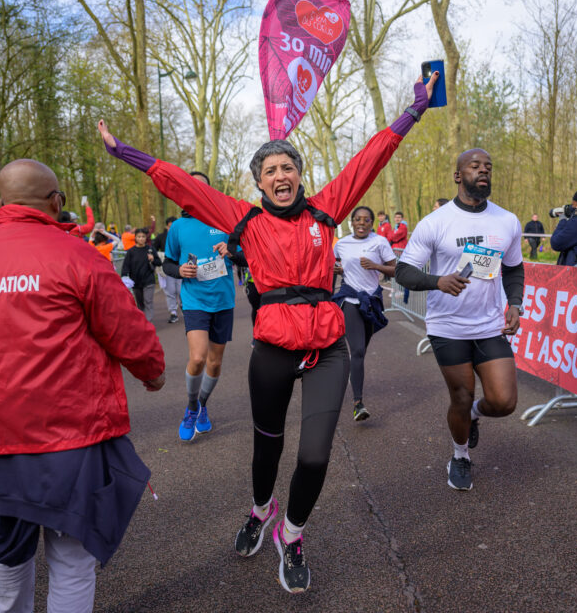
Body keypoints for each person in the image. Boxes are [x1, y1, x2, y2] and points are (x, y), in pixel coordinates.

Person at [99, 70, 439, 594]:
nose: (281, 175)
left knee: (316, 454)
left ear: (300, 175)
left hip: (327, 345)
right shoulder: (242, 219)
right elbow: (182, 185)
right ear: (258, 182)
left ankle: (292, 533)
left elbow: (372, 156)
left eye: (289, 167)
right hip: (274, 347)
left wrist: (414, 109)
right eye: (271, 170)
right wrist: (127, 153)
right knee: (268, 449)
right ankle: (262, 508)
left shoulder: (327, 211)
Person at [0, 159, 165, 613]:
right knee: (71, 559)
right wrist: (152, 372)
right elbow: (125, 328)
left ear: (1, 203)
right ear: (55, 202)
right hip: (68, 433)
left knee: (6, 553)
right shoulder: (76, 255)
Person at [395, 148, 524, 492]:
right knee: (461, 397)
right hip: (447, 326)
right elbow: (404, 272)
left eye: (488, 167)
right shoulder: (436, 222)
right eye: (475, 166)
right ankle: (460, 454)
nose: (483, 171)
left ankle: (476, 417)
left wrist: (515, 303)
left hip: (488, 323)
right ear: (458, 175)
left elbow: (513, 267)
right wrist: (437, 280)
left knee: (504, 402)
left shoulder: (507, 220)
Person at [159, 173, 239, 443]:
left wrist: (232, 251)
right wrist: (180, 270)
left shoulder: (225, 221)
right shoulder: (178, 227)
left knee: (215, 363)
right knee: (198, 358)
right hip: (195, 300)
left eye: (201, 186)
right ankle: (192, 407)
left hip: (223, 301)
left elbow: (247, 256)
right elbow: (167, 263)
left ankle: (203, 404)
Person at [332, 206, 396, 421]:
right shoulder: (341, 244)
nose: (362, 223)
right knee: (358, 350)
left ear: (372, 223)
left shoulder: (379, 242)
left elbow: (395, 269)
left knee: (361, 350)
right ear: (351, 222)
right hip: (350, 299)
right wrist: (336, 268)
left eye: (366, 220)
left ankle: (354, 372)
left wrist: (376, 266)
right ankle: (358, 404)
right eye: (357, 219)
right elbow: (332, 263)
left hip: (371, 302)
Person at [121, 227, 162, 319]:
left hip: (149, 280)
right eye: (139, 237)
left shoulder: (150, 249)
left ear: (146, 237)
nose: (141, 239)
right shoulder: (131, 251)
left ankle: (148, 322)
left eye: (143, 236)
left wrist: (153, 259)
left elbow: (159, 262)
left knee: (148, 301)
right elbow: (126, 266)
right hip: (136, 281)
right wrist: (124, 277)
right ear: (135, 238)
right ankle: (143, 321)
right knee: (140, 304)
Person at [153, 216, 181, 324]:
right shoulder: (161, 237)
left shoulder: (181, 235)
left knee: (180, 290)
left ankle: (184, 306)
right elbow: (153, 249)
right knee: (170, 291)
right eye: (170, 226)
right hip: (167, 268)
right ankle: (173, 312)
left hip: (181, 267)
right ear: (167, 226)